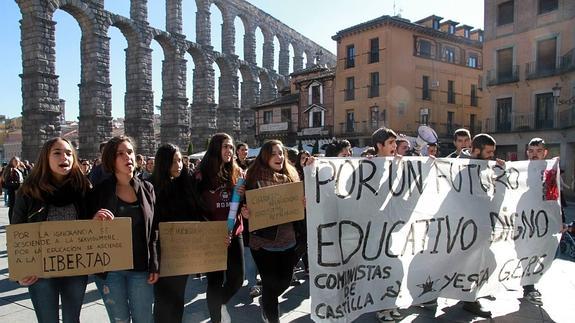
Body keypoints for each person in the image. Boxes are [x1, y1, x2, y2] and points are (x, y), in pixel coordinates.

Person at [12, 137, 92, 323]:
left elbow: (92, 226)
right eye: (57, 153)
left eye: (69, 153)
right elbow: (17, 231)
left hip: (75, 268)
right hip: (40, 270)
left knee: (73, 319)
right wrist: (20, 272)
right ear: (45, 158)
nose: (64, 157)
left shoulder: (84, 189)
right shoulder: (29, 191)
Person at [88, 136, 159, 323]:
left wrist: (155, 264)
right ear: (111, 159)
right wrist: (94, 221)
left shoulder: (147, 188)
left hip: (141, 267)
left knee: (144, 318)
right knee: (119, 320)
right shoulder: (99, 191)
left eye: (129, 152)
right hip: (110, 269)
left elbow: (153, 231)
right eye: (120, 153)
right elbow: (86, 230)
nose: (127, 156)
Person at [245, 140, 303, 323]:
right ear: (265, 156)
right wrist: (245, 212)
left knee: (285, 281)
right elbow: (243, 205)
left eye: (281, 153)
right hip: (263, 243)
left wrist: (303, 205)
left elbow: (299, 210)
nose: (279, 157)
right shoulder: (252, 180)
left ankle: (266, 300)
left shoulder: (292, 178)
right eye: (274, 154)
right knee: (270, 285)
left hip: (288, 240)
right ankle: (272, 316)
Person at [193, 133, 245, 323]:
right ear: (216, 148)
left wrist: (244, 198)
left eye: (231, 147)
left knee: (237, 278)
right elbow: (196, 205)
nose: (230, 151)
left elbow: (243, 204)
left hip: (235, 231)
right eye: (225, 147)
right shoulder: (200, 175)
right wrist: (209, 229)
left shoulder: (238, 173)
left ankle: (220, 303)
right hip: (212, 234)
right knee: (215, 281)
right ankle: (216, 319)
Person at [151, 144, 200, 323]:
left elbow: (197, 214)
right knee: (163, 301)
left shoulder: (186, 184)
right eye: (173, 161)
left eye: (180, 160)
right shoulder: (150, 186)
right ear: (163, 163)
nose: (178, 165)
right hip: (161, 254)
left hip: (182, 253)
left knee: (178, 298)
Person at [457, 133, 501, 318]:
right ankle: (469, 299)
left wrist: (501, 173)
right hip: (464, 227)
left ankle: (468, 296)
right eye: (488, 152)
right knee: (472, 264)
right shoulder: (459, 167)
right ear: (475, 151)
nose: (491, 155)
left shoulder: (487, 167)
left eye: (493, 152)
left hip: (480, 226)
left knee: (488, 262)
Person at [371, 128, 403, 322]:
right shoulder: (369, 167)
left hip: (393, 227)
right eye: (390, 143)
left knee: (394, 267)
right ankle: (382, 307)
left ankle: (390, 303)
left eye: (395, 143)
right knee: (382, 269)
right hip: (374, 229)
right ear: (379, 146)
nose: (394, 147)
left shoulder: (398, 164)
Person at [3, 156, 24, 223]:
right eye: (15, 161)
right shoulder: (10, 169)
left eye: (17, 161)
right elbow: (7, 182)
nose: (17, 162)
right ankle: (11, 222)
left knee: (18, 207)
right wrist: (18, 184)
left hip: (19, 191)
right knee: (12, 207)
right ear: (12, 162)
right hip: (13, 191)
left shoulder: (19, 169)